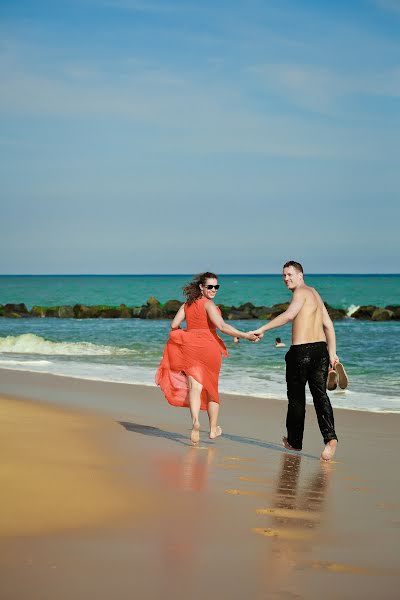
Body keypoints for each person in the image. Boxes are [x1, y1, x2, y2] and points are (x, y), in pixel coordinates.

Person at [156, 272, 259, 445]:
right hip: (209, 348)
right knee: (211, 388)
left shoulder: (186, 305)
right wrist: (245, 335)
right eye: (210, 286)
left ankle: (195, 421)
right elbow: (222, 326)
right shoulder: (209, 305)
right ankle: (213, 429)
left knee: (195, 387)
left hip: (190, 347)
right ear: (201, 287)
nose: (213, 290)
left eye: (216, 287)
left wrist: (186, 335)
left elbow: (174, 325)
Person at [250, 261, 339, 461]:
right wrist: (332, 353)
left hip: (301, 353)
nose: (286, 278)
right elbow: (328, 325)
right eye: (284, 275)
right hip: (321, 352)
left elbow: (289, 315)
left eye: (290, 274)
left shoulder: (300, 292)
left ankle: (295, 442)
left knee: (297, 399)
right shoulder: (314, 293)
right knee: (320, 396)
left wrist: (263, 328)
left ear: (300, 275)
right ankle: (330, 439)